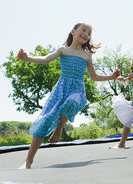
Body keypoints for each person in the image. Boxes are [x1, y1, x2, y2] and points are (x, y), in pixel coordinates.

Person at [17, 22, 120, 168]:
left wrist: (112, 76)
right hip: (61, 89)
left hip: (77, 88)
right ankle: (28, 160)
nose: (86, 34)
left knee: (73, 102)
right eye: (83, 30)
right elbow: (46, 59)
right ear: (73, 31)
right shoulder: (63, 50)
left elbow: (94, 77)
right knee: (45, 121)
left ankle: (58, 129)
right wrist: (27, 58)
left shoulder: (87, 55)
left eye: (89, 33)